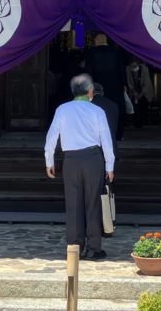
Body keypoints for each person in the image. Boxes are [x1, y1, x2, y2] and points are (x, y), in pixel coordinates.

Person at [44, 74, 115, 260]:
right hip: (93, 158)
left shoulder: (62, 109)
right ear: (90, 90)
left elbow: (52, 136)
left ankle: (74, 247)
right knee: (93, 203)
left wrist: (49, 161)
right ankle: (93, 248)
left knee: (73, 203)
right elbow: (106, 139)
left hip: (71, 160)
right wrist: (110, 165)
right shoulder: (97, 111)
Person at [85, 33, 126, 139]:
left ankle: (97, 134)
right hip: (115, 85)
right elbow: (121, 70)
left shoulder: (92, 52)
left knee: (97, 108)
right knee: (117, 108)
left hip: (98, 86)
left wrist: (89, 86)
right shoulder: (116, 52)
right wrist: (123, 84)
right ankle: (117, 134)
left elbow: (89, 70)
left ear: (97, 41)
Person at [90, 83, 120, 156]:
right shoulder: (113, 105)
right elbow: (115, 128)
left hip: (93, 150)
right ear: (102, 92)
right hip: (111, 148)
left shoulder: (88, 105)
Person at [125, 57, 154, 129]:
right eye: (132, 66)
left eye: (135, 66)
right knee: (135, 106)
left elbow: (147, 83)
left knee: (143, 104)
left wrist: (141, 94)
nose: (133, 68)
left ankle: (143, 122)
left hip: (145, 91)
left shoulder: (144, 69)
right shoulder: (128, 69)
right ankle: (136, 123)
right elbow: (129, 82)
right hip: (134, 90)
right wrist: (133, 91)